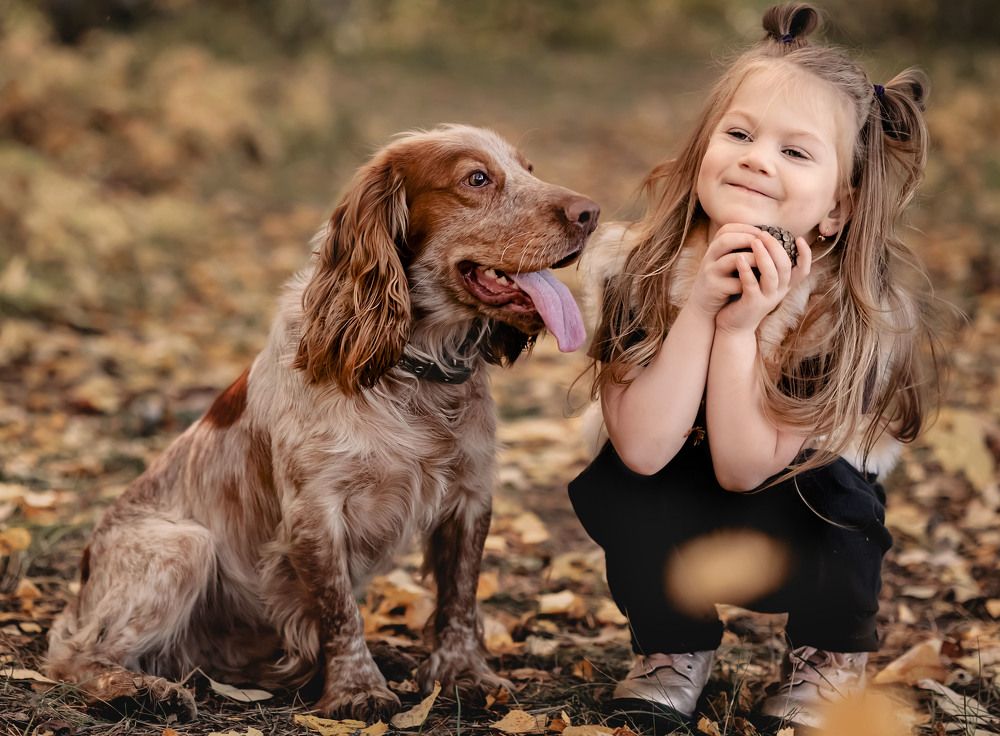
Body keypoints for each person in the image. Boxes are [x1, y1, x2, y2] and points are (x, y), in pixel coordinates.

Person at [568, 2, 939, 731]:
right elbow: (641, 448)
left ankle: (828, 656)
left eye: (796, 152)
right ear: (705, 147)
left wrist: (741, 331)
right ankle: (675, 646)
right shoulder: (636, 269)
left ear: (837, 208)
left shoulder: (847, 310)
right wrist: (700, 309)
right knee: (617, 480)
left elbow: (746, 469)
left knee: (843, 500)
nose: (757, 157)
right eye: (738, 133)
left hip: (796, 515)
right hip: (679, 502)